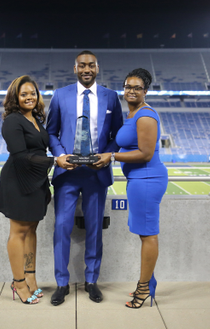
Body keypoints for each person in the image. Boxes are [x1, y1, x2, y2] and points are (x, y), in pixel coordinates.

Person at [46, 50, 123, 306]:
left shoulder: (111, 97)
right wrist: (59, 155)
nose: (86, 69)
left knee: (94, 230)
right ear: (75, 68)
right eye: (82, 65)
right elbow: (52, 132)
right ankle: (61, 283)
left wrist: (109, 153)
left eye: (91, 65)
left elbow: (118, 134)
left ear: (97, 68)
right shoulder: (60, 95)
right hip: (67, 174)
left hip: (96, 173)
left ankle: (91, 280)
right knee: (61, 229)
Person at [94, 68, 168, 308]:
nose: (131, 91)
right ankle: (149, 283)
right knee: (144, 232)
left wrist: (112, 156)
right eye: (128, 87)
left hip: (147, 179)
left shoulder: (145, 115)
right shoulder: (133, 113)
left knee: (148, 234)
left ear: (145, 91)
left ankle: (144, 288)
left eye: (137, 87)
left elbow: (146, 154)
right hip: (139, 180)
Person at [0, 75, 56, 305]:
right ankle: (18, 282)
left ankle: (31, 277)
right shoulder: (13, 120)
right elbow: (21, 156)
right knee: (18, 231)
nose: (29, 97)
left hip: (36, 180)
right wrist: (54, 162)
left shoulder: (35, 119)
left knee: (31, 229)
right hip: (18, 179)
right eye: (24, 94)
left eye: (33, 93)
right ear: (15, 97)